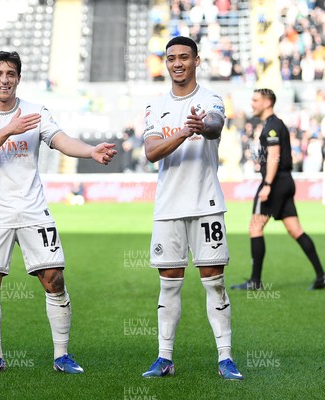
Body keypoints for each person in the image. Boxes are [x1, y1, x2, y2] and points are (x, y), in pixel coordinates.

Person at [0, 51, 116, 375]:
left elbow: (60, 140)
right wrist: (8, 130)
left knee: (54, 279)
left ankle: (61, 356)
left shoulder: (36, 112)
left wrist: (89, 151)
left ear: (18, 78)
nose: (5, 79)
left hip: (33, 209)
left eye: (11, 73)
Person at [141, 36, 243, 380]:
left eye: (185, 57)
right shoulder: (155, 106)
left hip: (206, 203)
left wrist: (204, 127)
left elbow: (215, 126)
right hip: (168, 207)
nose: (178, 63)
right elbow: (152, 152)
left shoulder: (211, 98)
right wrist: (186, 132)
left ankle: (225, 358)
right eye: (171, 58)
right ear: (166, 63)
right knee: (169, 284)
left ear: (197, 61)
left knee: (214, 282)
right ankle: (165, 358)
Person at [231, 88, 324, 291]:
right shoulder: (274, 124)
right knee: (295, 229)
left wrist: (267, 184)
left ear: (267, 102)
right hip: (285, 181)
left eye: (255, 100)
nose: (252, 103)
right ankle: (321, 276)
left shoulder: (272, 126)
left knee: (255, 227)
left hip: (275, 183)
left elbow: (274, 155)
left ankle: (255, 282)